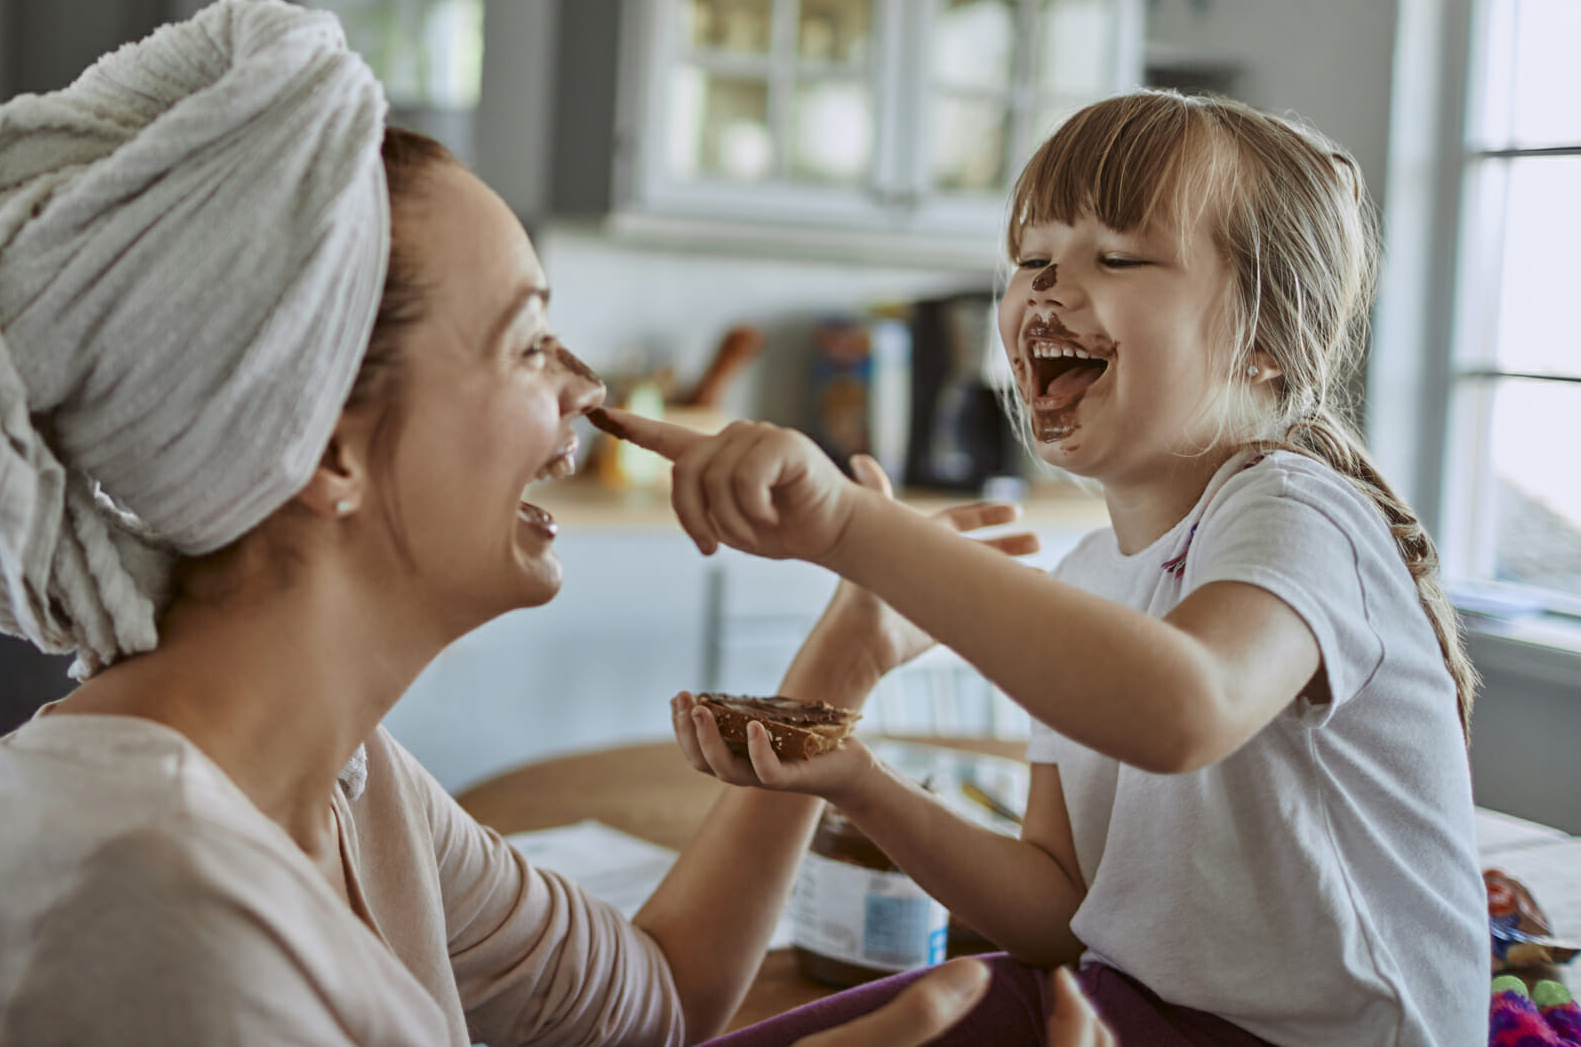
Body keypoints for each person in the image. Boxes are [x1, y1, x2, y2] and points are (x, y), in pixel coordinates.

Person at [0, 0, 1096, 1046]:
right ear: (326, 448)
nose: (587, 390)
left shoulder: (346, 781)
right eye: (529, 342)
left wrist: (845, 655)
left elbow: (655, 1000)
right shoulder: (146, 908)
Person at [599, 92, 1483, 1047]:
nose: (1046, 288)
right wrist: (860, 784)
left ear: (1264, 339)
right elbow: (1058, 911)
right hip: (1134, 1006)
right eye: (1030, 259)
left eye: (1116, 257)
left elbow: (1180, 709)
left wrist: (849, 527)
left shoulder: (1297, 512)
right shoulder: (1087, 575)